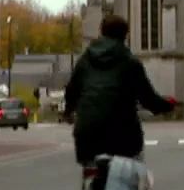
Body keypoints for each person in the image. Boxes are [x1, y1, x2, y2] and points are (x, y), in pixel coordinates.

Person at [63, 14, 175, 167]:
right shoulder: (130, 62)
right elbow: (148, 98)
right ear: (125, 36)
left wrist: (68, 112)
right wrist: (167, 105)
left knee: (90, 165)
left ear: (101, 32)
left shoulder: (85, 59)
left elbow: (71, 91)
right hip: (122, 134)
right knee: (135, 168)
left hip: (86, 133)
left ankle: (89, 188)